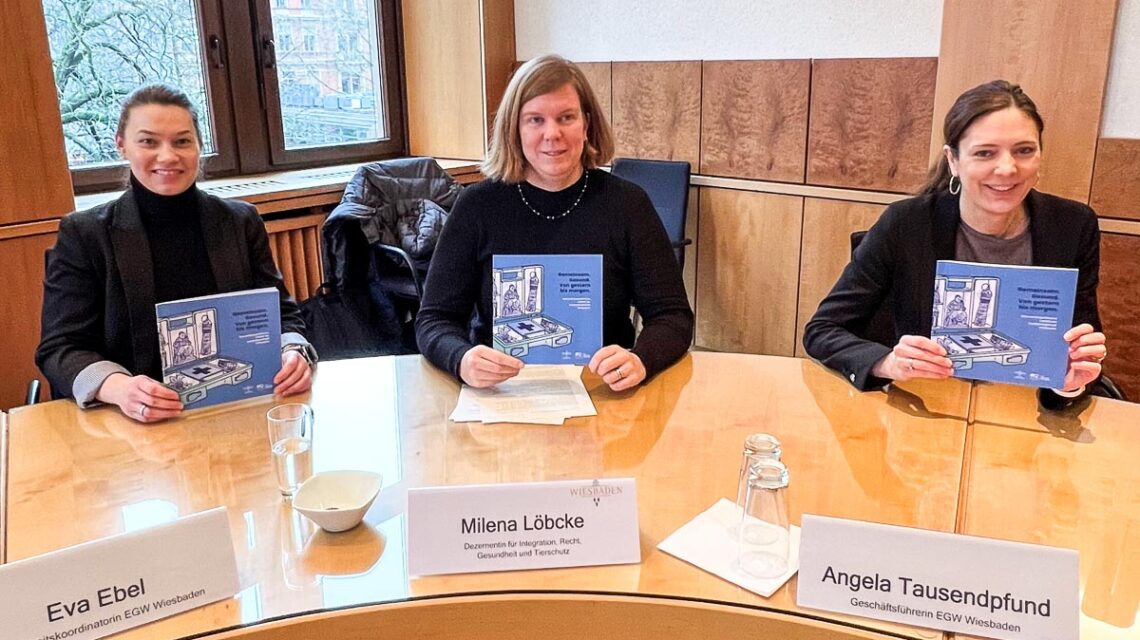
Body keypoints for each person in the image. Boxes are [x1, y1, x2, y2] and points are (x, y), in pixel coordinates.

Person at [803, 80, 1107, 408]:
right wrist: (888, 363)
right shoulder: (907, 224)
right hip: (926, 410)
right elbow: (822, 330)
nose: (1007, 168)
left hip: (1022, 415)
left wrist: (1070, 383)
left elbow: (1080, 350)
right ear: (954, 161)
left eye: (1024, 150)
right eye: (985, 153)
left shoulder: (1073, 226)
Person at [36, 84, 316, 423]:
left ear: (199, 147)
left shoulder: (241, 221)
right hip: (131, 423)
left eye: (182, 141)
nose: (167, 156)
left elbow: (283, 314)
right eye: (149, 141)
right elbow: (60, 348)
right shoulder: (84, 234)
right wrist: (119, 388)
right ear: (122, 145)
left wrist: (293, 350)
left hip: (235, 409)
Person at [415, 55, 694, 390]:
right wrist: (460, 358)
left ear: (586, 123)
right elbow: (433, 320)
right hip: (500, 395)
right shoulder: (477, 206)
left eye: (566, 117)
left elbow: (673, 317)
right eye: (535, 120)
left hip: (602, 393)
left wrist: (641, 359)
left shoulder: (627, 204)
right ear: (514, 128)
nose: (552, 134)